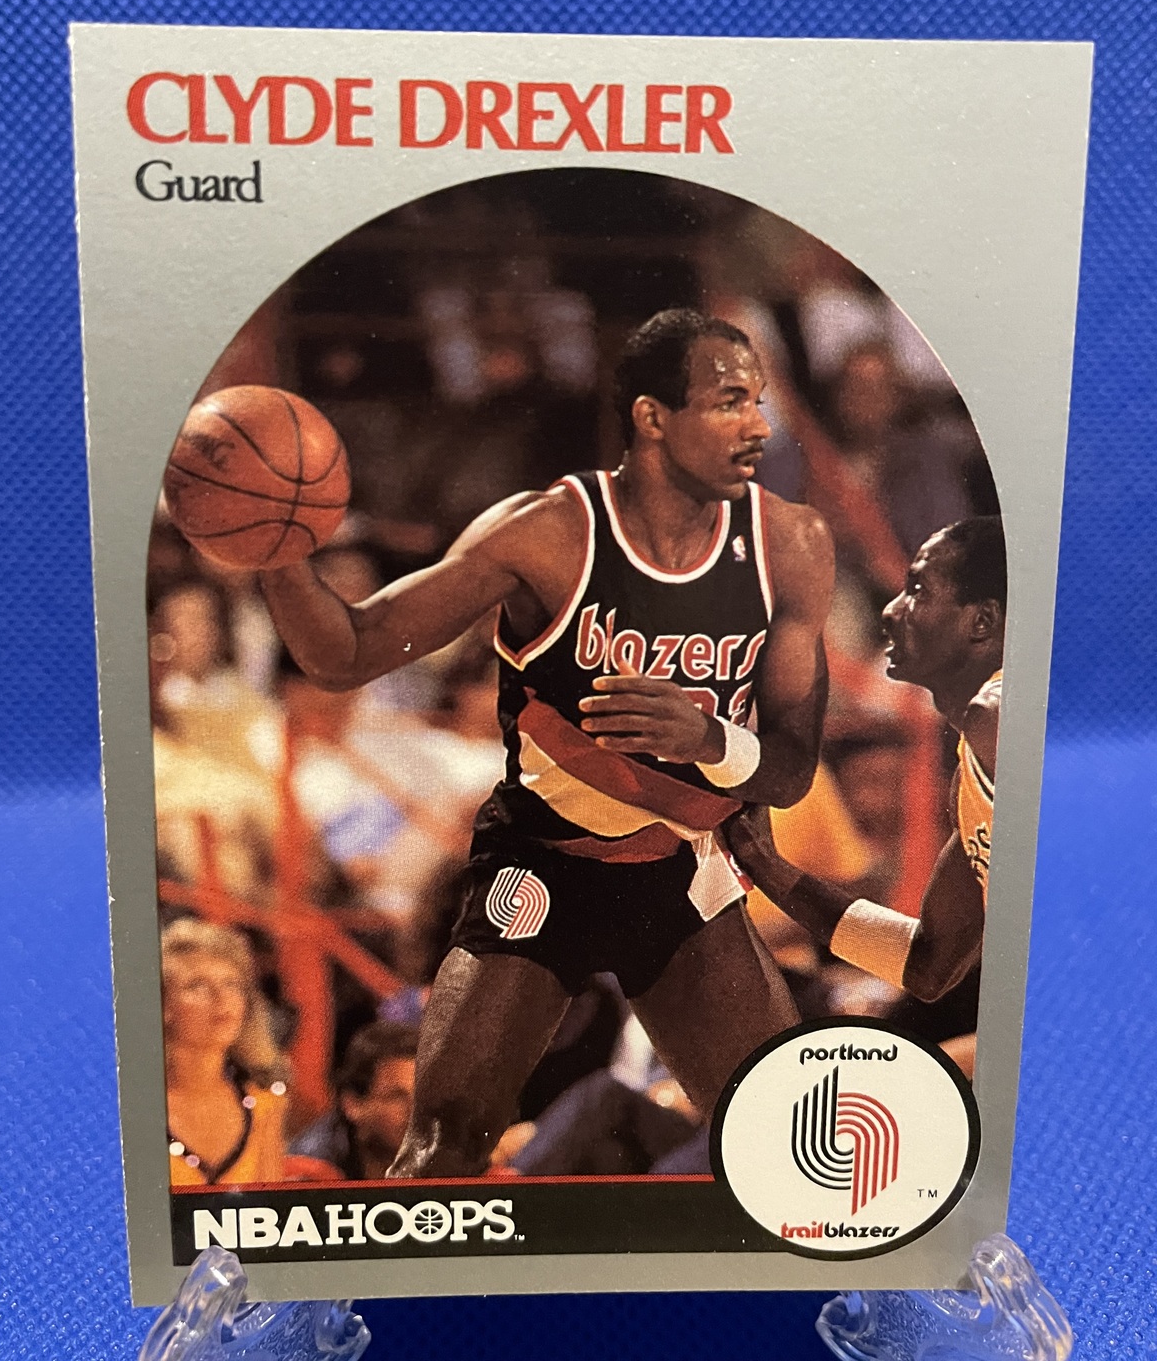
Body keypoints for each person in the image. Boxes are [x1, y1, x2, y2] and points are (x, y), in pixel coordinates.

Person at [246, 307, 834, 1176]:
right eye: (729, 402)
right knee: (444, 1146)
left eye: (759, 400)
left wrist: (709, 736)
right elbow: (346, 654)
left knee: (781, 1133)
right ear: (652, 416)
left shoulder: (792, 542)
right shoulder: (547, 532)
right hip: (542, 866)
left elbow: (788, 770)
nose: (758, 424)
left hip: (679, 871)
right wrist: (276, 552)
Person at [726, 516, 1005, 1010]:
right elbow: (928, 965)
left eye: (917, 591)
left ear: (981, 621)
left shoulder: (1002, 714)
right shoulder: (974, 757)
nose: (891, 611)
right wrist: (765, 864)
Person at [162, 918, 287, 1185]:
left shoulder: (265, 1104)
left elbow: (270, 1204)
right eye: (197, 985)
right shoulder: (132, 1107)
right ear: (163, 1007)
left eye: (231, 984)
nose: (222, 998)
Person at [291, 1022, 418, 1180]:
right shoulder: (312, 1171)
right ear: (352, 1104)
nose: (415, 1111)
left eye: (420, 1097)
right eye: (396, 1097)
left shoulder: (439, 1155)